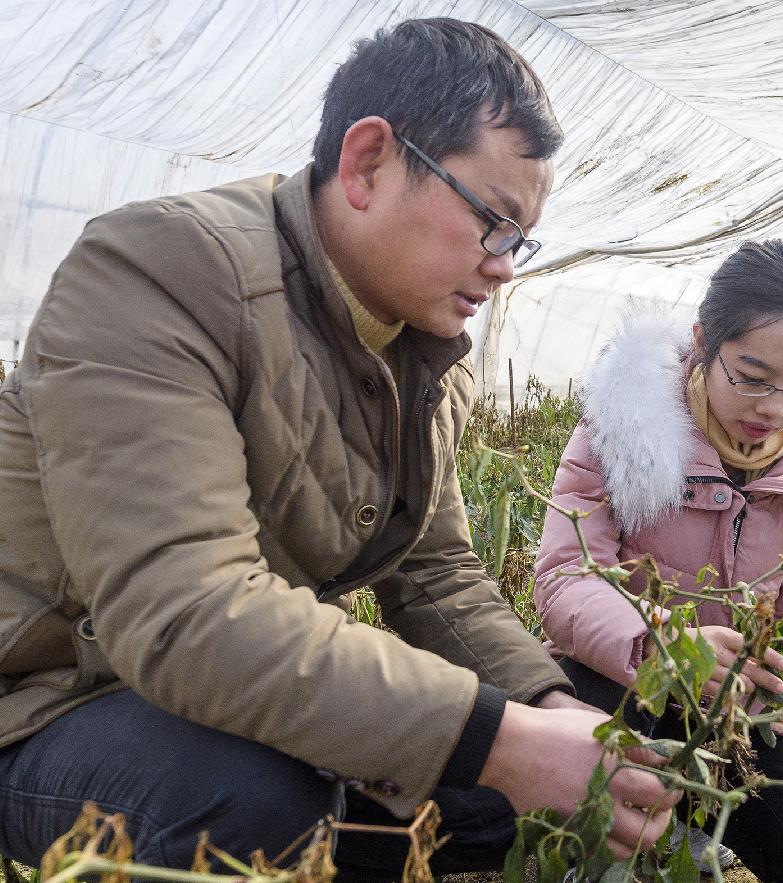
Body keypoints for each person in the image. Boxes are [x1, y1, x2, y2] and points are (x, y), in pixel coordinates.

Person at [0, 18, 679, 874]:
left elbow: (433, 571)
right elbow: (182, 612)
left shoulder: (422, 354)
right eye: (491, 222)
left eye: (520, 239)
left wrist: (545, 705)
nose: (505, 266)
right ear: (367, 163)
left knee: (551, 746)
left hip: (209, 696)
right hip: (47, 702)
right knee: (263, 809)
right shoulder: (163, 269)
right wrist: (501, 741)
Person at [534, 240, 783, 882]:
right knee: (612, 852)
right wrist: (663, 646)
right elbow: (566, 579)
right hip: (619, 687)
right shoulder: (624, 432)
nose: (772, 407)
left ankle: (698, 829)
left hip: (742, 713)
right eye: (751, 377)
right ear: (705, 342)